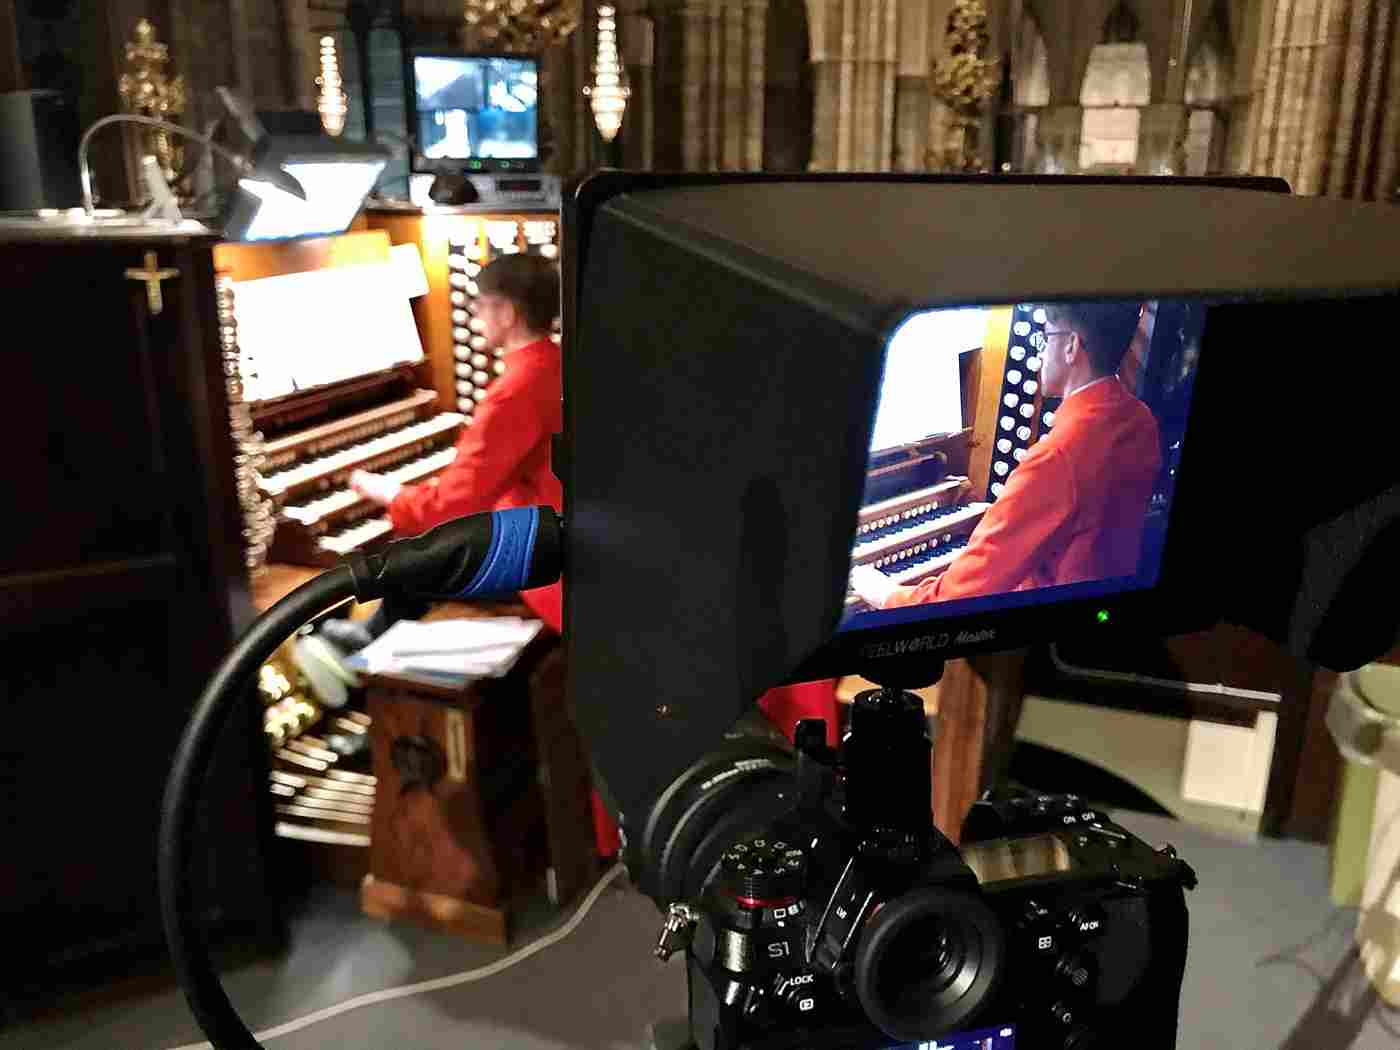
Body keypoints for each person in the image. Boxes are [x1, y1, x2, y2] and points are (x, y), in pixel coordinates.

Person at [850, 302, 1162, 611]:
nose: (1040, 352)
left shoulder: (1059, 455)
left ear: (1070, 346)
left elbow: (952, 601)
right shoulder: (1139, 419)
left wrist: (885, 593)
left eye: (1045, 336)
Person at [323, 252, 563, 644]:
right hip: (551, 529)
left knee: (415, 557)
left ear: (506, 313)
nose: (476, 315)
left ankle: (370, 648)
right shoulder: (554, 364)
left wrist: (393, 494)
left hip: (545, 566)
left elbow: (450, 508)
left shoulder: (517, 389)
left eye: (481, 305)